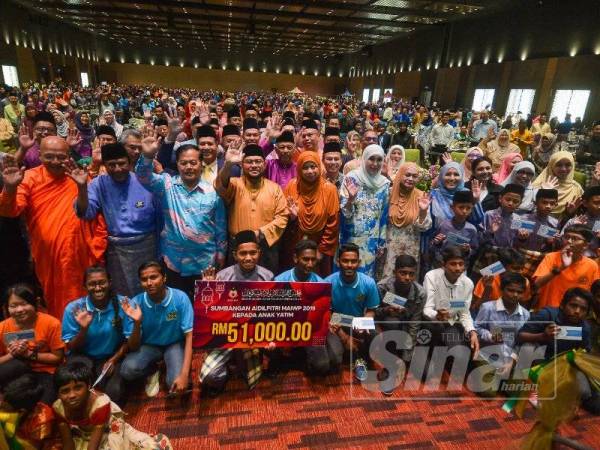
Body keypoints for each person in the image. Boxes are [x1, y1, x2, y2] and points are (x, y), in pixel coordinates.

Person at [0, 136, 107, 317]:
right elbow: (10, 211)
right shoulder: (29, 178)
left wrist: (82, 186)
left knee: (89, 296)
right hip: (50, 256)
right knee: (57, 301)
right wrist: (9, 188)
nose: (56, 162)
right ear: (39, 155)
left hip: (82, 252)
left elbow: (94, 213)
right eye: (49, 156)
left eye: (61, 157)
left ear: (68, 156)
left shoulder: (77, 175)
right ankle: (63, 338)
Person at [135, 137, 227, 300]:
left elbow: (220, 226)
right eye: (183, 163)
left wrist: (221, 254)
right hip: (173, 263)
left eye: (193, 162)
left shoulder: (213, 192)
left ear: (201, 164)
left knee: (205, 307)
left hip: (205, 264)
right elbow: (143, 176)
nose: (189, 167)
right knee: (176, 306)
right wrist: (148, 156)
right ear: (177, 164)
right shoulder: (166, 185)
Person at [73, 143, 159, 297]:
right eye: (112, 165)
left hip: (147, 246)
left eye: (122, 163)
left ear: (129, 162)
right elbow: (86, 213)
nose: (118, 169)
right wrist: (81, 188)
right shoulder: (98, 183)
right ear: (104, 165)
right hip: (117, 250)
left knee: (150, 291)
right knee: (123, 295)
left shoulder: (144, 180)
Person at [199, 231, 273, 395]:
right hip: (226, 334)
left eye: (253, 253)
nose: (248, 257)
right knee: (209, 377)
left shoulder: (267, 277)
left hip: (253, 336)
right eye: (243, 253)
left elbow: (270, 313)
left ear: (259, 253)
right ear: (235, 255)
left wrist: (271, 336)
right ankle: (227, 369)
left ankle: (242, 362)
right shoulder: (221, 277)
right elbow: (208, 316)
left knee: (252, 379)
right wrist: (208, 290)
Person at [53, 361, 173, 449]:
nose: (72, 395)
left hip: (111, 428)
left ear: (89, 386)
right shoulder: (58, 407)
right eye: (65, 391)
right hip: (84, 433)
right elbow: (68, 443)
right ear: (58, 393)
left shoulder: (100, 404)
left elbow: (93, 447)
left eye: (78, 388)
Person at [517, 288, 600, 414]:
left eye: (583, 309)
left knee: (586, 393)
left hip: (565, 366)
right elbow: (520, 336)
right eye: (573, 306)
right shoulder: (547, 315)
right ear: (562, 305)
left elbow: (585, 353)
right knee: (528, 348)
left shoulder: (585, 327)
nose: (577, 311)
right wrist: (542, 336)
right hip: (539, 363)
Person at [61, 266, 135, 405]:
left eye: (102, 282)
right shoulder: (73, 308)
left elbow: (129, 340)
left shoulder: (124, 304)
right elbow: (71, 346)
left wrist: (113, 360)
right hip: (82, 355)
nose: (98, 287)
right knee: (76, 391)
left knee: (114, 393)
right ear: (85, 286)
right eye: (92, 284)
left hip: (111, 355)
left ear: (110, 282)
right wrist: (84, 329)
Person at [120, 261, 193, 398]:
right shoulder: (135, 303)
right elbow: (133, 346)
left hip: (174, 344)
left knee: (176, 387)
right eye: (144, 279)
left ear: (164, 278)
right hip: (149, 346)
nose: (149, 283)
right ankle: (152, 370)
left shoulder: (180, 298)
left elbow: (190, 337)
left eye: (153, 277)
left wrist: (184, 375)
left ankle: (170, 367)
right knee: (127, 370)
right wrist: (137, 323)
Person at [306, 244, 379, 380]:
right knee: (335, 359)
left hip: (357, 323)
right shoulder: (328, 283)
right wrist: (343, 336)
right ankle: (347, 354)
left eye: (353, 261)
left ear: (359, 262)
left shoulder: (369, 283)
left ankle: (360, 360)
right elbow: (326, 314)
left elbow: (371, 310)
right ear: (338, 262)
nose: (349, 265)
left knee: (374, 335)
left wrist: (365, 323)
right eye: (345, 261)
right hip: (335, 324)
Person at [215, 142, 289, 273]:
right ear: (242, 165)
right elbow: (220, 186)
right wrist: (228, 164)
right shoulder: (234, 184)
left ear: (264, 164)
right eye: (249, 162)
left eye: (258, 161)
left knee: (266, 288)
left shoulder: (275, 188)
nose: (254, 165)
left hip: (266, 247)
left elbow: (282, 217)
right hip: (238, 247)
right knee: (236, 289)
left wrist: (260, 233)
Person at [0, 284, 64, 406]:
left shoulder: (52, 323)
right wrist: (13, 354)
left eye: (24, 304)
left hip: (46, 372)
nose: (19, 310)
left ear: (35, 303)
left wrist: (28, 354)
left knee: (42, 405)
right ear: (7, 308)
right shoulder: (2, 327)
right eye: (13, 306)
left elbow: (57, 357)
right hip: (16, 370)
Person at [472, 272, 530, 397]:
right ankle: (488, 376)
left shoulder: (525, 314)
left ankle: (500, 377)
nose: (515, 294)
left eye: (519, 292)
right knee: (488, 393)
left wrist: (512, 361)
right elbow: (476, 328)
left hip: (510, 358)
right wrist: (490, 336)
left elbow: (522, 342)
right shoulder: (487, 308)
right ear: (501, 289)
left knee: (516, 392)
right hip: (488, 355)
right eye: (510, 290)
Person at [423, 246, 480, 372]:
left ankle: (445, 357)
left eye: (461, 264)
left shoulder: (468, 283)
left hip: (451, 324)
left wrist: (472, 331)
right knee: (428, 374)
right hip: (431, 323)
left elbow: (464, 313)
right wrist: (437, 315)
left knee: (461, 356)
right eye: (453, 264)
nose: (458, 268)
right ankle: (428, 355)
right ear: (444, 264)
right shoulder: (431, 276)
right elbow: (427, 309)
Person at [282, 151, 339, 276]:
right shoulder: (292, 186)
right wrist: (291, 217)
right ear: (299, 169)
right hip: (295, 244)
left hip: (320, 245)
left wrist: (321, 250)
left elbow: (332, 224)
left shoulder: (329, 189)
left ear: (319, 167)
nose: (310, 171)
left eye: (313, 167)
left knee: (318, 285)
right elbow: (283, 218)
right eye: (305, 167)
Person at [339, 144, 390, 278]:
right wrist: (351, 199)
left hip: (371, 240)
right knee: (348, 274)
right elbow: (345, 213)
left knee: (366, 277)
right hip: (351, 237)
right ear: (364, 158)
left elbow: (383, 215)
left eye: (379, 160)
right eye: (371, 159)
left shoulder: (384, 183)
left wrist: (381, 242)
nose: (375, 163)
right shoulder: (351, 178)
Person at [383, 162, 432, 279]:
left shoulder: (421, 196)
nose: (410, 179)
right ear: (400, 175)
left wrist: (423, 211)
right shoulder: (388, 194)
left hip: (410, 249)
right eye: (407, 175)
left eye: (414, 176)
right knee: (388, 282)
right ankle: (387, 299)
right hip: (389, 250)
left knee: (406, 282)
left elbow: (424, 227)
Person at [533, 224, 600, 309]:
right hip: (548, 311)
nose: (568, 241)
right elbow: (537, 284)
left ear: (585, 245)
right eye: (566, 237)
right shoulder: (551, 257)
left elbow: (594, 294)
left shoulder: (592, 265)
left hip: (575, 315)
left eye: (575, 238)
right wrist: (561, 268)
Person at [376, 255, 426, 365]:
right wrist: (386, 310)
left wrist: (406, 357)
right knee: (392, 322)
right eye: (403, 273)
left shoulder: (420, 293)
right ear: (394, 272)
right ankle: (389, 360)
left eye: (411, 274)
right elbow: (373, 313)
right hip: (387, 329)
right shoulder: (382, 287)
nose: (407, 277)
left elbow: (415, 323)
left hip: (408, 331)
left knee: (426, 373)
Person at [0, 375, 61, 449]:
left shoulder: (41, 423)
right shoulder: (9, 404)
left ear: (21, 412)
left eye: (4, 408)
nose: (1, 409)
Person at [430, 190, 479, 267]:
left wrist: (468, 250)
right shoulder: (444, 225)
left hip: (460, 266)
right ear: (452, 207)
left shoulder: (472, 229)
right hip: (442, 264)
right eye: (461, 207)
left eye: (468, 208)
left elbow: (474, 250)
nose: (464, 211)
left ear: (472, 209)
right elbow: (433, 246)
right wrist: (437, 242)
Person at [532, 151, 583, 218]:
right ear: (551, 166)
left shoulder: (576, 188)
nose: (563, 169)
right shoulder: (539, 184)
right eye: (559, 165)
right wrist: (543, 192)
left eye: (568, 165)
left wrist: (569, 212)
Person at [561, 185, 600, 258]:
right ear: (585, 203)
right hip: (571, 258)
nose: (599, 206)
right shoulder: (574, 221)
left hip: (594, 261)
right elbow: (560, 242)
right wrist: (572, 229)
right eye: (596, 203)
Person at [482, 184, 525, 248]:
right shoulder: (489, 215)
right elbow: (481, 238)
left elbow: (515, 240)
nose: (510, 203)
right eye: (508, 199)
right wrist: (491, 231)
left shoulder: (517, 219)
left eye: (515, 201)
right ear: (500, 198)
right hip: (489, 251)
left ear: (519, 204)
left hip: (507, 253)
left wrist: (522, 238)